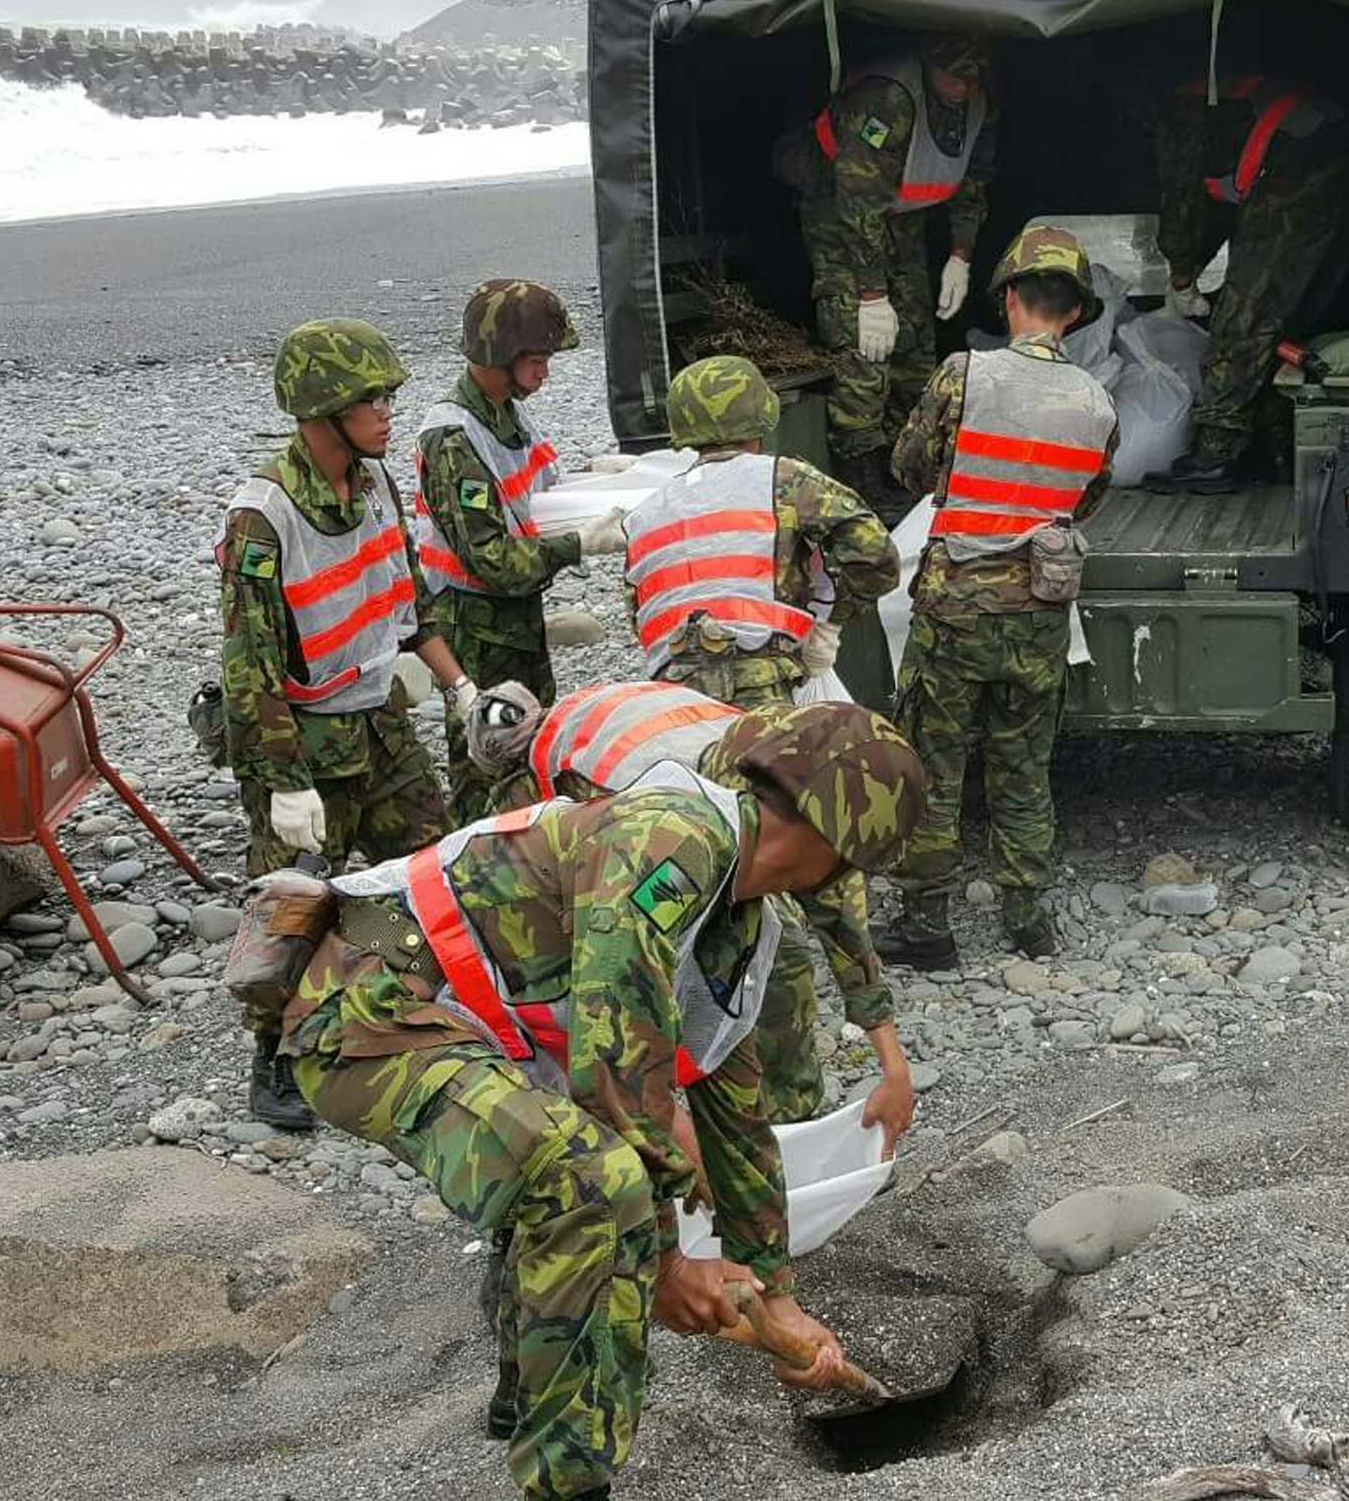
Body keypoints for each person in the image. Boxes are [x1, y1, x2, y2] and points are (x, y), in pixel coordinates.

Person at [272, 703, 926, 1501]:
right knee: (593, 1180)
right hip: (365, 1009)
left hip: (455, 1023)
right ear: (832, 850)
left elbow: (733, 1108)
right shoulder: (672, 842)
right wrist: (668, 1258)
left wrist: (772, 1292)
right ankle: (569, 1486)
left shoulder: (734, 914)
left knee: (581, 1168)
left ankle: (527, 1410)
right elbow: (613, 1060)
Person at [219, 318, 480, 1130]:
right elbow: (249, 666)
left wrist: (460, 685)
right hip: (302, 742)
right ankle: (274, 1060)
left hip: (381, 725)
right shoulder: (263, 518)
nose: (386, 410)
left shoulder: (375, 486)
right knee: (292, 908)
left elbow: (409, 603)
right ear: (321, 409)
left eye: (390, 395)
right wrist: (285, 782)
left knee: (426, 875)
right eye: (370, 397)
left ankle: (385, 1005)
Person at [465, 680, 919, 1146]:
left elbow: (837, 909)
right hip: (638, 823)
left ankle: (787, 1124)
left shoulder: (770, 776)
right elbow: (614, 982)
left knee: (774, 955)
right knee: (713, 967)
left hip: (681, 768)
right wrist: (663, 1125)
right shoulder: (639, 787)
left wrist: (893, 1067)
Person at [878, 225, 1120, 966]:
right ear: (1075, 314)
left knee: (935, 764)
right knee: (1024, 765)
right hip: (1040, 615)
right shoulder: (1097, 403)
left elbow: (910, 467)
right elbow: (1084, 502)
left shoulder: (963, 373)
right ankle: (1027, 919)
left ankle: (927, 926)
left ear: (1010, 299)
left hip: (955, 611)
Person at [411, 280, 620, 822]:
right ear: (499, 355)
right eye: (537, 359)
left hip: (514, 619)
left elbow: (537, 494)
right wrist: (578, 545)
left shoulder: (506, 412)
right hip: (473, 625)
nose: (545, 372)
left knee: (532, 745)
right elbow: (491, 560)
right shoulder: (454, 438)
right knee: (485, 764)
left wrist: (598, 479)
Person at [778, 35, 998, 505]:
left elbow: (973, 183)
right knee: (864, 342)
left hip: (902, 216)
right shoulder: (886, 101)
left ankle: (910, 458)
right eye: (954, 76)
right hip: (837, 214)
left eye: (972, 77)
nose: (964, 87)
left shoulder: (978, 103)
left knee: (914, 333)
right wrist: (871, 296)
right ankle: (861, 474)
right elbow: (857, 203)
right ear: (928, 65)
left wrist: (961, 255)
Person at [621, 355, 900, 713]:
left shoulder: (644, 514)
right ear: (761, 420)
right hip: (766, 682)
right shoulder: (786, 480)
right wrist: (828, 620)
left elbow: (639, 613)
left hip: (674, 697)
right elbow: (878, 558)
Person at [1144, 73, 1349, 490]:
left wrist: (1181, 275)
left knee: (1243, 319)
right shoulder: (1223, 103)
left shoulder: (1182, 116)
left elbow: (1184, 205)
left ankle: (1215, 454)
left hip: (1294, 179)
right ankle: (1274, 449)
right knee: (1281, 326)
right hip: (1335, 173)